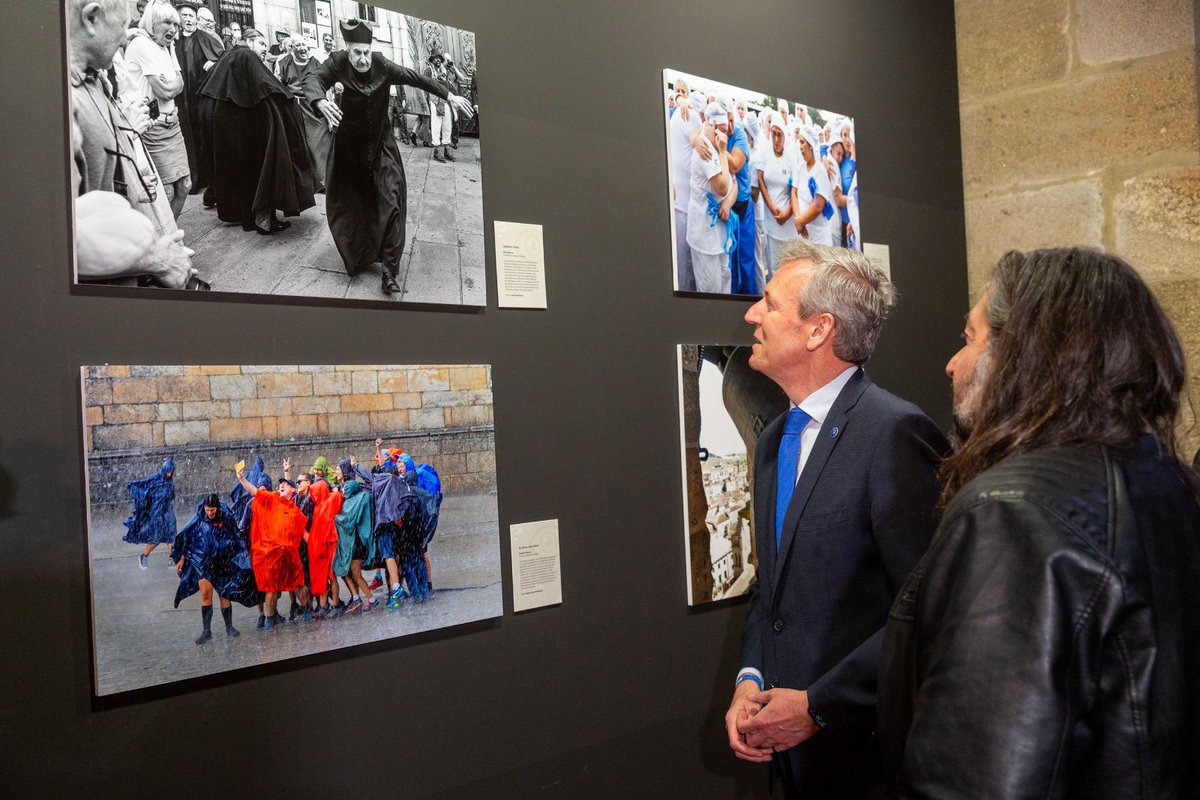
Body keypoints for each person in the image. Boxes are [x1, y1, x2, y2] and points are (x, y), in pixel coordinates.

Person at [877, 248, 1200, 797]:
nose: (953, 362)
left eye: (971, 335)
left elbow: (977, 778)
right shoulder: (1168, 481)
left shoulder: (1011, 512)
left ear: (1023, 354)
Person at [725, 241, 948, 797]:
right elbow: (771, 590)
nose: (753, 314)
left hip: (866, 760)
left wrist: (818, 708)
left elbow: (928, 610)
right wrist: (748, 679)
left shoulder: (894, 432)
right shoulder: (776, 440)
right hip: (790, 764)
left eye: (769, 304)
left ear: (817, 330)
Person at [301, 19, 473, 295]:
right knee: (350, 205)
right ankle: (359, 255)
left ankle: (390, 271)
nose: (362, 58)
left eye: (366, 52)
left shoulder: (382, 65)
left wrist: (449, 95)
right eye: (356, 52)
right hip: (349, 151)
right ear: (348, 49)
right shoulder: (337, 62)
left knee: (392, 200)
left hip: (382, 146)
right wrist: (319, 99)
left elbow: (416, 77)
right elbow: (312, 78)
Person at [68, 0, 197, 288]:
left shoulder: (93, 80)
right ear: (92, 18)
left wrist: (133, 175)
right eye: (124, 26)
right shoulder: (57, 98)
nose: (127, 37)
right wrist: (156, 260)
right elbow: (55, 239)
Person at [198, 44, 315, 234]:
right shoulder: (247, 57)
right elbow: (269, 86)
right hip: (246, 134)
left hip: (225, 134)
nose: (262, 49)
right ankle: (262, 219)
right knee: (255, 172)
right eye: (260, 44)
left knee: (233, 173)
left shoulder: (221, 76)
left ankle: (240, 213)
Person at [123, 0, 191, 219]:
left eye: (176, 24)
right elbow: (164, 92)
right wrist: (173, 86)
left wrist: (172, 86)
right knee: (166, 191)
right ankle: (164, 241)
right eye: (167, 22)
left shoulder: (165, 46)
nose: (173, 29)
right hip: (153, 127)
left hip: (172, 125)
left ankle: (170, 237)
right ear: (152, 23)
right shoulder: (142, 44)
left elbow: (180, 81)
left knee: (185, 185)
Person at [170, 493, 260, 644]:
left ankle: (229, 627)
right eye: (207, 510)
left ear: (218, 508)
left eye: (212, 510)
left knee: (224, 593)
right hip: (203, 562)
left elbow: (236, 536)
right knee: (206, 593)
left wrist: (242, 556)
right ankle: (206, 631)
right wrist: (182, 557)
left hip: (222, 562)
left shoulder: (226, 517)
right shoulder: (199, 517)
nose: (210, 513)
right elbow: (187, 536)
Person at [235, 464, 306, 630]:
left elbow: (304, 534)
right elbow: (254, 492)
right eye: (280, 484)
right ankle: (269, 619)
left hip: (289, 556)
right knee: (271, 588)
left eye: (285, 484)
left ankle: (306, 610)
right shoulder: (272, 498)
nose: (281, 485)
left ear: (292, 491)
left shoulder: (296, 511)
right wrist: (242, 479)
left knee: (298, 584)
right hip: (271, 555)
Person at [173, 1, 223, 207]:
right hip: (182, 99)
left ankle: (211, 181)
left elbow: (222, 60)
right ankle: (194, 179)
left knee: (206, 136)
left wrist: (212, 65)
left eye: (191, 16)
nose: (188, 20)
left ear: (197, 19)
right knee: (188, 138)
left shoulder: (206, 39)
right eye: (183, 16)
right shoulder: (173, 42)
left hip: (202, 97)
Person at [686, 102, 735, 294]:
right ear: (712, 126)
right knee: (711, 291)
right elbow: (723, 187)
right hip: (705, 236)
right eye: (721, 131)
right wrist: (723, 152)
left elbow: (733, 181)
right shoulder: (706, 150)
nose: (724, 137)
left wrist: (728, 204)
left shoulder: (713, 144)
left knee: (724, 285)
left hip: (718, 237)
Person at [274, 35, 331, 192]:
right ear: (292, 48)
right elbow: (278, 85)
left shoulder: (315, 63)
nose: (303, 48)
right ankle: (303, 182)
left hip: (314, 106)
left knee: (319, 140)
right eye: (298, 45)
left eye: (304, 45)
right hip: (294, 107)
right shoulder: (284, 63)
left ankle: (322, 180)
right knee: (297, 144)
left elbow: (326, 87)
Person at [668, 92, 704, 291]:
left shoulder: (677, 114)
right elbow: (697, 144)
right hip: (684, 202)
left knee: (679, 259)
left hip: (677, 197)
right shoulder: (692, 116)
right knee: (686, 263)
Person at [332, 457, 376, 612]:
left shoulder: (354, 501)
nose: (342, 491)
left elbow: (347, 520)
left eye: (345, 489)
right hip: (349, 544)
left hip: (355, 545)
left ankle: (371, 599)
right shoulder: (350, 500)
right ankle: (357, 597)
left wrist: (335, 518)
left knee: (356, 574)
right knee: (346, 572)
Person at [756, 115, 798, 282]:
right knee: (773, 268)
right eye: (773, 134)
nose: (776, 139)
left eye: (779, 135)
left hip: (788, 223)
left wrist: (787, 213)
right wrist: (772, 208)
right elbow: (760, 179)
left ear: (785, 136)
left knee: (788, 268)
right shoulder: (765, 152)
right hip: (771, 220)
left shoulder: (791, 157)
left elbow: (796, 187)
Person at [122, 457, 178, 570]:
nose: (169, 474)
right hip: (156, 512)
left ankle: (172, 558)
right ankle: (144, 556)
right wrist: (133, 487)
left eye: (171, 472)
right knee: (156, 537)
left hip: (167, 511)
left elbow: (170, 495)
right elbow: (143, 485)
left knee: (171, 535)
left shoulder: (169, 480)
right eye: (167, 471)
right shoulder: (156, 479)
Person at [790, 126, 834, 246]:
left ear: (810, 145)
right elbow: (794, 193)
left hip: (819, 238)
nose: (800, 146)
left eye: (803, 142)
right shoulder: (800, 168)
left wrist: (800, 222)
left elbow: (818, 205)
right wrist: (799, 220)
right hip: (804, 235)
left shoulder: (820, 171)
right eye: (800, 142)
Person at [423, 52, 455, 163]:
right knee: (436, 126)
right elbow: (423, 83)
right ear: (432, 60)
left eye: (439, 59)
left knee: (447, 125)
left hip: (444, 100)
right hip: (434, 100)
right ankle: (437, 151)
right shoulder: (429, 69)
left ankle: (447, 150)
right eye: (436, 58)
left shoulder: (444, 70)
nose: (438, 60)